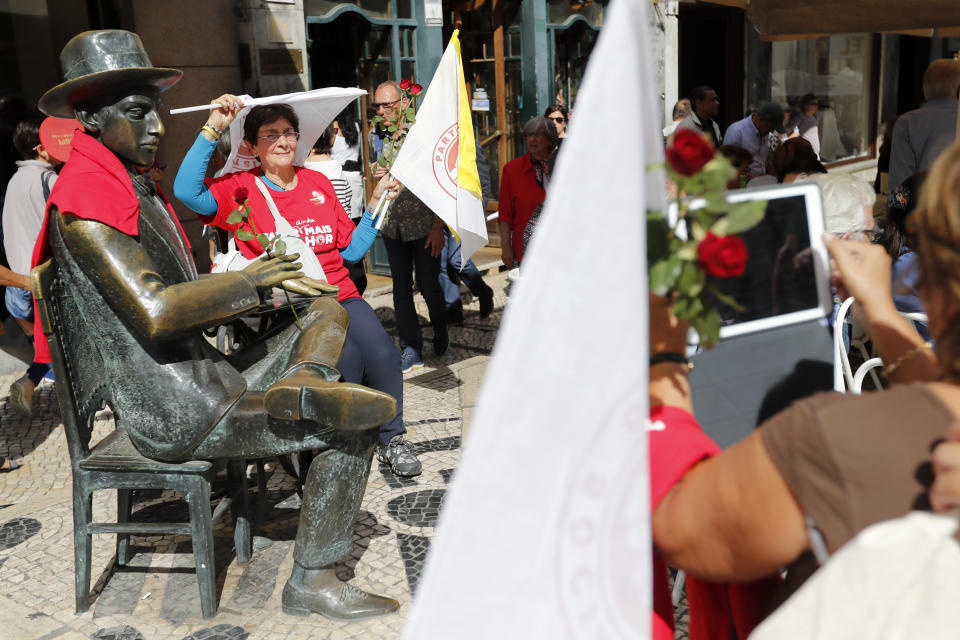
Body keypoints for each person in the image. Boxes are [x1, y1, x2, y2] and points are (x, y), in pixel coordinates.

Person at [38, 29, 402, 619]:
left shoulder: (124, 183)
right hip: (179, 407)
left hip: (205, 374)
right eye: (137, 113)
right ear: (90, 118)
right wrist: (252, 281)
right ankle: (313, 579)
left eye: (154, 109)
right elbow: (158, 310)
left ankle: (301, 378)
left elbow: (182, 293)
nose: (156, 125)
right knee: (348, 427)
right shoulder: (87, 203)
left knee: (327, 305)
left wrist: (255, 292)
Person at [648, 138, 960, 611]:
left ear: (931, 283)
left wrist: (662, 356)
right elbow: (936, 395)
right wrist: (880, 311)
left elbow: (681, 530)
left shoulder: (837, 440)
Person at [175, 95, 424, 479]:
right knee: (348, 359)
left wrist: (374, 205)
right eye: (269, 134)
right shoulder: (240, 187)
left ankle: (393, 439)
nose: (282, 141)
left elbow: (351, 252)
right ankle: (333, 448)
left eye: (288, 133)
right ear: (252, 146)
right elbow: (186, 192)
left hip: (337, 291)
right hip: (288, 300)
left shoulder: (317, 182)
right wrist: (213, 128)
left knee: (384, 355)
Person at [368, 80, 447, 373]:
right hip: (392, 225)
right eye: (377, 105)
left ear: (403, 104)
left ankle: (440, 327)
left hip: (425, 224)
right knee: (400, 288)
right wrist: (375, 172)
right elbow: (375, 173)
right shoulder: (374, 135)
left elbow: (440, 184)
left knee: (428, 285)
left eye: (386, 105)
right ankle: (411, 347)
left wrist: (439, 227)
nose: (380, 110)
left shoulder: (421, 136)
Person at [2, 113, 59, 415]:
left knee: (48, 344)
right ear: (41, 147)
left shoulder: (14, 181)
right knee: (63, 343)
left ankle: (28, 382)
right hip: (41, 280)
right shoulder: (49, 180)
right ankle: (68, 403)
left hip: (17, 284)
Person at [439, 144, 494, 324]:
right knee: (442, 261)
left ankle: (483, 291)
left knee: (456, 258)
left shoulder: (466, 137)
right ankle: (453, 309)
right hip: (439, 211)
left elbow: (483, 179)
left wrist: (480, 209)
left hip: (465, 211)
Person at [888, 58, 960, 191]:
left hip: (922, 207)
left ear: (925, 88)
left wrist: (896, 210)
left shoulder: (907, 123)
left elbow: (899, 182)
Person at [498, 116, 557, 269]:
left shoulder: (565, 168)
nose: (532, 139)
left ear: (550, 140)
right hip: (526, 250)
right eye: (528, 135)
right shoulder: (512, 170)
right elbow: (505, 214)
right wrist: (506, 247)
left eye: (538, 134)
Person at [723, 102, 785, 178]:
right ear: (761, 119)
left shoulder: (769, 133)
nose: (771, 131)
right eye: (770, 127)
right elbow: (728, 164)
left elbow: (769, 158)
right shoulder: (736, 131)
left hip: (761, 181)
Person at [785, 93, 820, 158]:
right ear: (806, 105)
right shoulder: (799, 118)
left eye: (817, 104)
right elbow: (786, 131)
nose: (816, 106)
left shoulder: (815, 117)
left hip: (815, 153)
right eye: (813, 104)